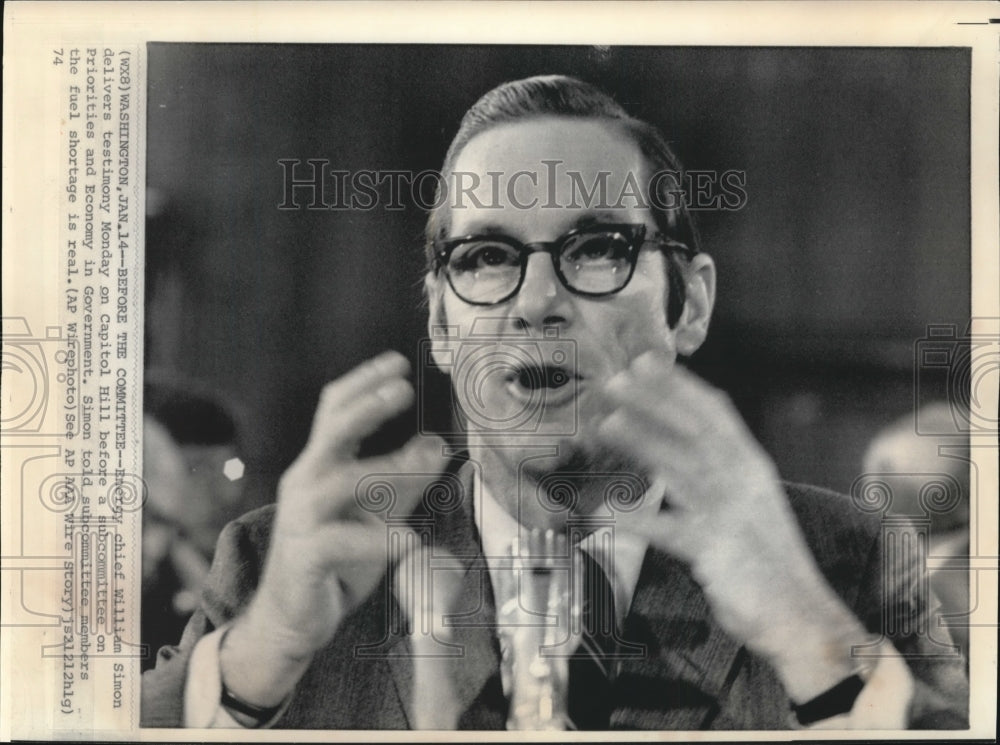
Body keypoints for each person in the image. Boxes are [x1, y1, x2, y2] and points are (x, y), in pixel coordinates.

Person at [141, 75, 967, 730]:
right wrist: (253, 672)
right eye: (489, 255)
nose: (536, 301)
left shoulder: (856, 564)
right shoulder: (269, 570)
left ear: (690, 306)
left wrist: (810, 639)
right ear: (439, 320)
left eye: (599, 246)